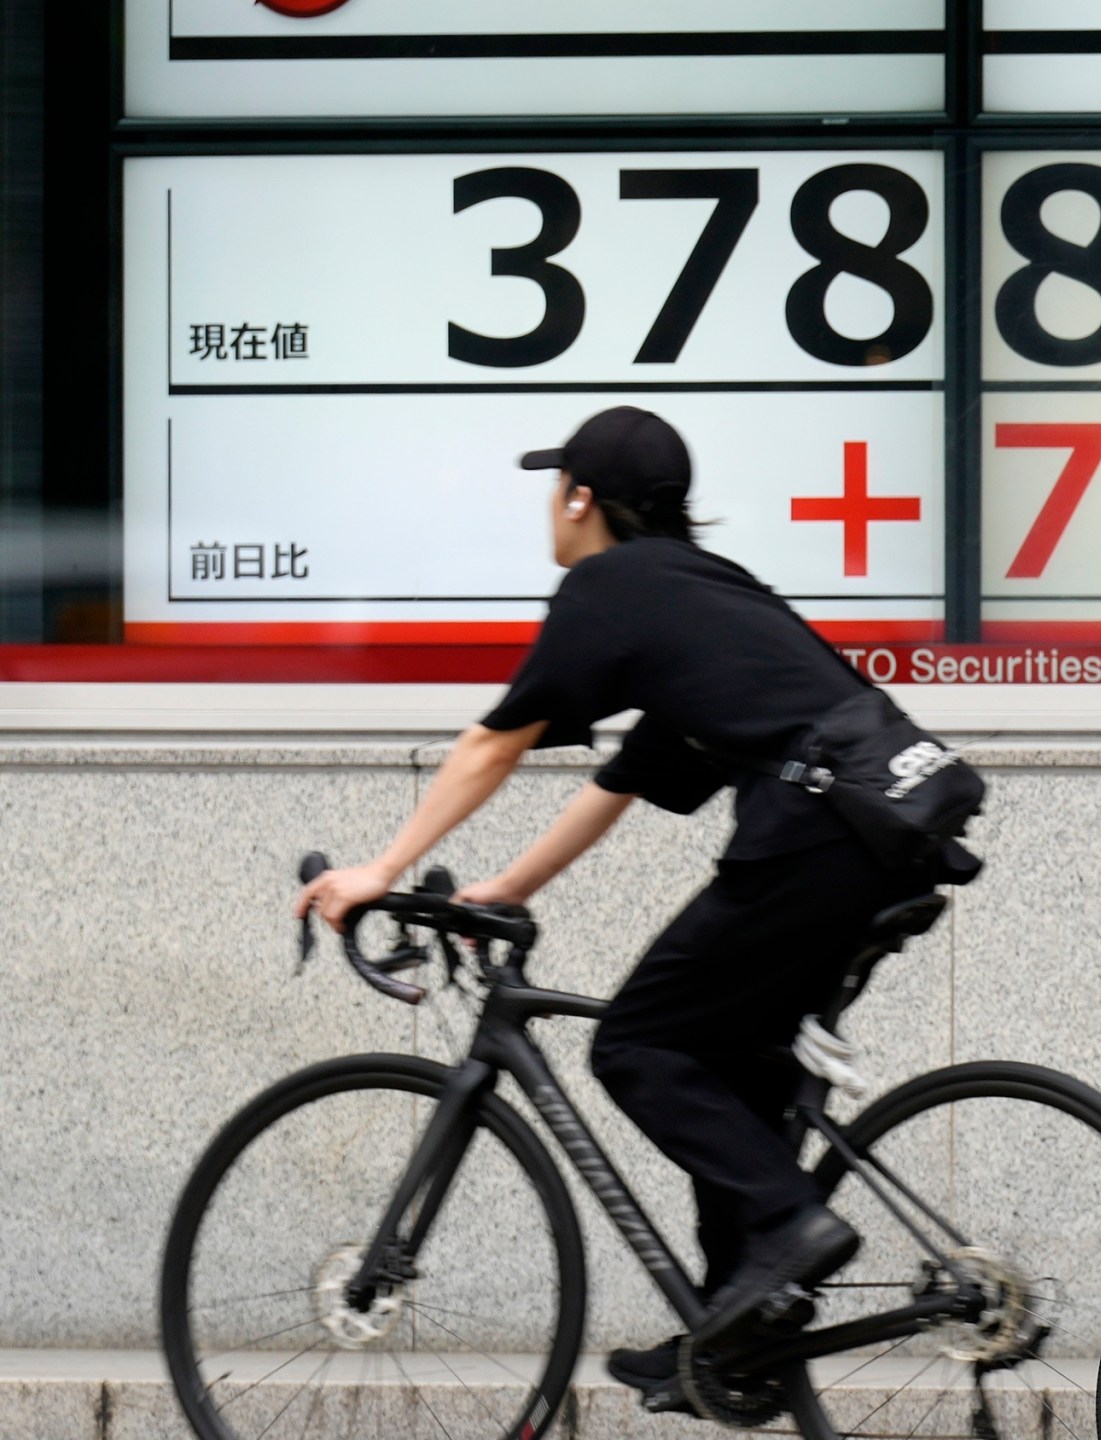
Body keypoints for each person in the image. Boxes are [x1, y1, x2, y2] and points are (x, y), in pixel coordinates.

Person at [294, 406, 965, 1413]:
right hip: (887, 828)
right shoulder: (698, 596)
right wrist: (510, 888)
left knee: (637, 1046)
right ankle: (729, 1330)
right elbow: (622, 780)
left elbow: (495, 740)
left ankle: (789, 1232)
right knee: (730, 1067)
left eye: (553, 488)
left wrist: (375, 868)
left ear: (580, 498)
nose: (547, 510)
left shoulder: (609, 585)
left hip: (822, 829)